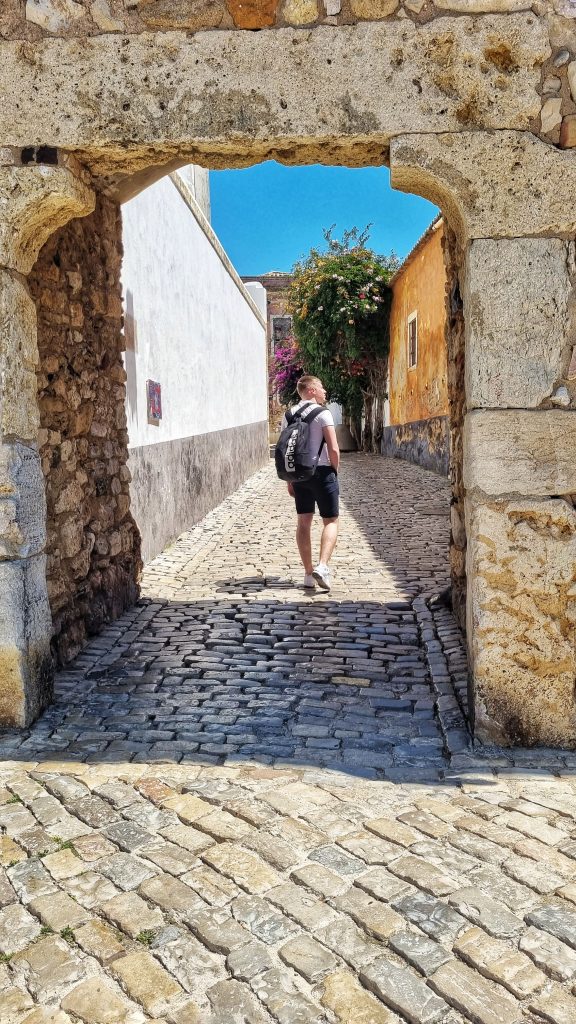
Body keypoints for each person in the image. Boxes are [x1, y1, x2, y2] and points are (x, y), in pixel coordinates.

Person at [282, 374, 340, 592]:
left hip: (299, 475)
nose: (325, 391)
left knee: (303, 521)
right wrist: (335, 471)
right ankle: (322, 567)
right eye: (322, 387)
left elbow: (286, 449)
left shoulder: (287, 415)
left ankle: (308, 574)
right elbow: (333, 448)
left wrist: (289, 479)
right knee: (331, 520)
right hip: (322, 471)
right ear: (312, 390)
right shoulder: (323, 413)